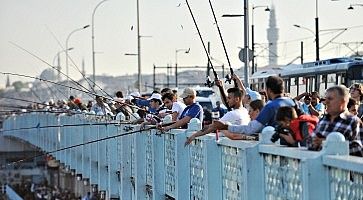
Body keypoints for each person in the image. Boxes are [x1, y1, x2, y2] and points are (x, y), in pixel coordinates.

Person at [213, 76, 295, 135]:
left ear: (269, 90)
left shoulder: (270, 107)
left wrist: (227, 127)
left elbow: (251, 129)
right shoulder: (294, 103)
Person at [185, 87, 250, 144]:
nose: (227, 101)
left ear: (237, 99)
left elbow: (213, 127)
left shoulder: (232, 114)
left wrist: (194, 135)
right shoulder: (245, 111)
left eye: (229, 98)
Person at [310, 85, 362, 156]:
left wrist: (328, 144)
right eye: (326, 98)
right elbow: (309, 141)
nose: (326, 102)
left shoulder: (353, 122)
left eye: (330, 99)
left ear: (342, 101)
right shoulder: (323, 120)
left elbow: (359, 149)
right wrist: (314, 143)